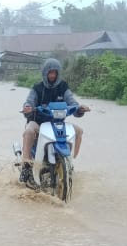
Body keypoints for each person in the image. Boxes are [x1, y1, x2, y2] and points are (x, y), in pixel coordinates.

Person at [19, 58, 89, 188]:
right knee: (28, 131)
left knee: (79, 131)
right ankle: (26, 166)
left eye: (55, 73)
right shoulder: (37, 88)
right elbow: (29, 101)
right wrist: (27, 107)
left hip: (57, 124)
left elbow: (72, 102)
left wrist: (79, 108)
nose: (52, 75)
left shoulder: (63, 87)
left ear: (58, 73)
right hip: (38, 123)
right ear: (45, 73)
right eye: (50, 73)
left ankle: (69, 163)